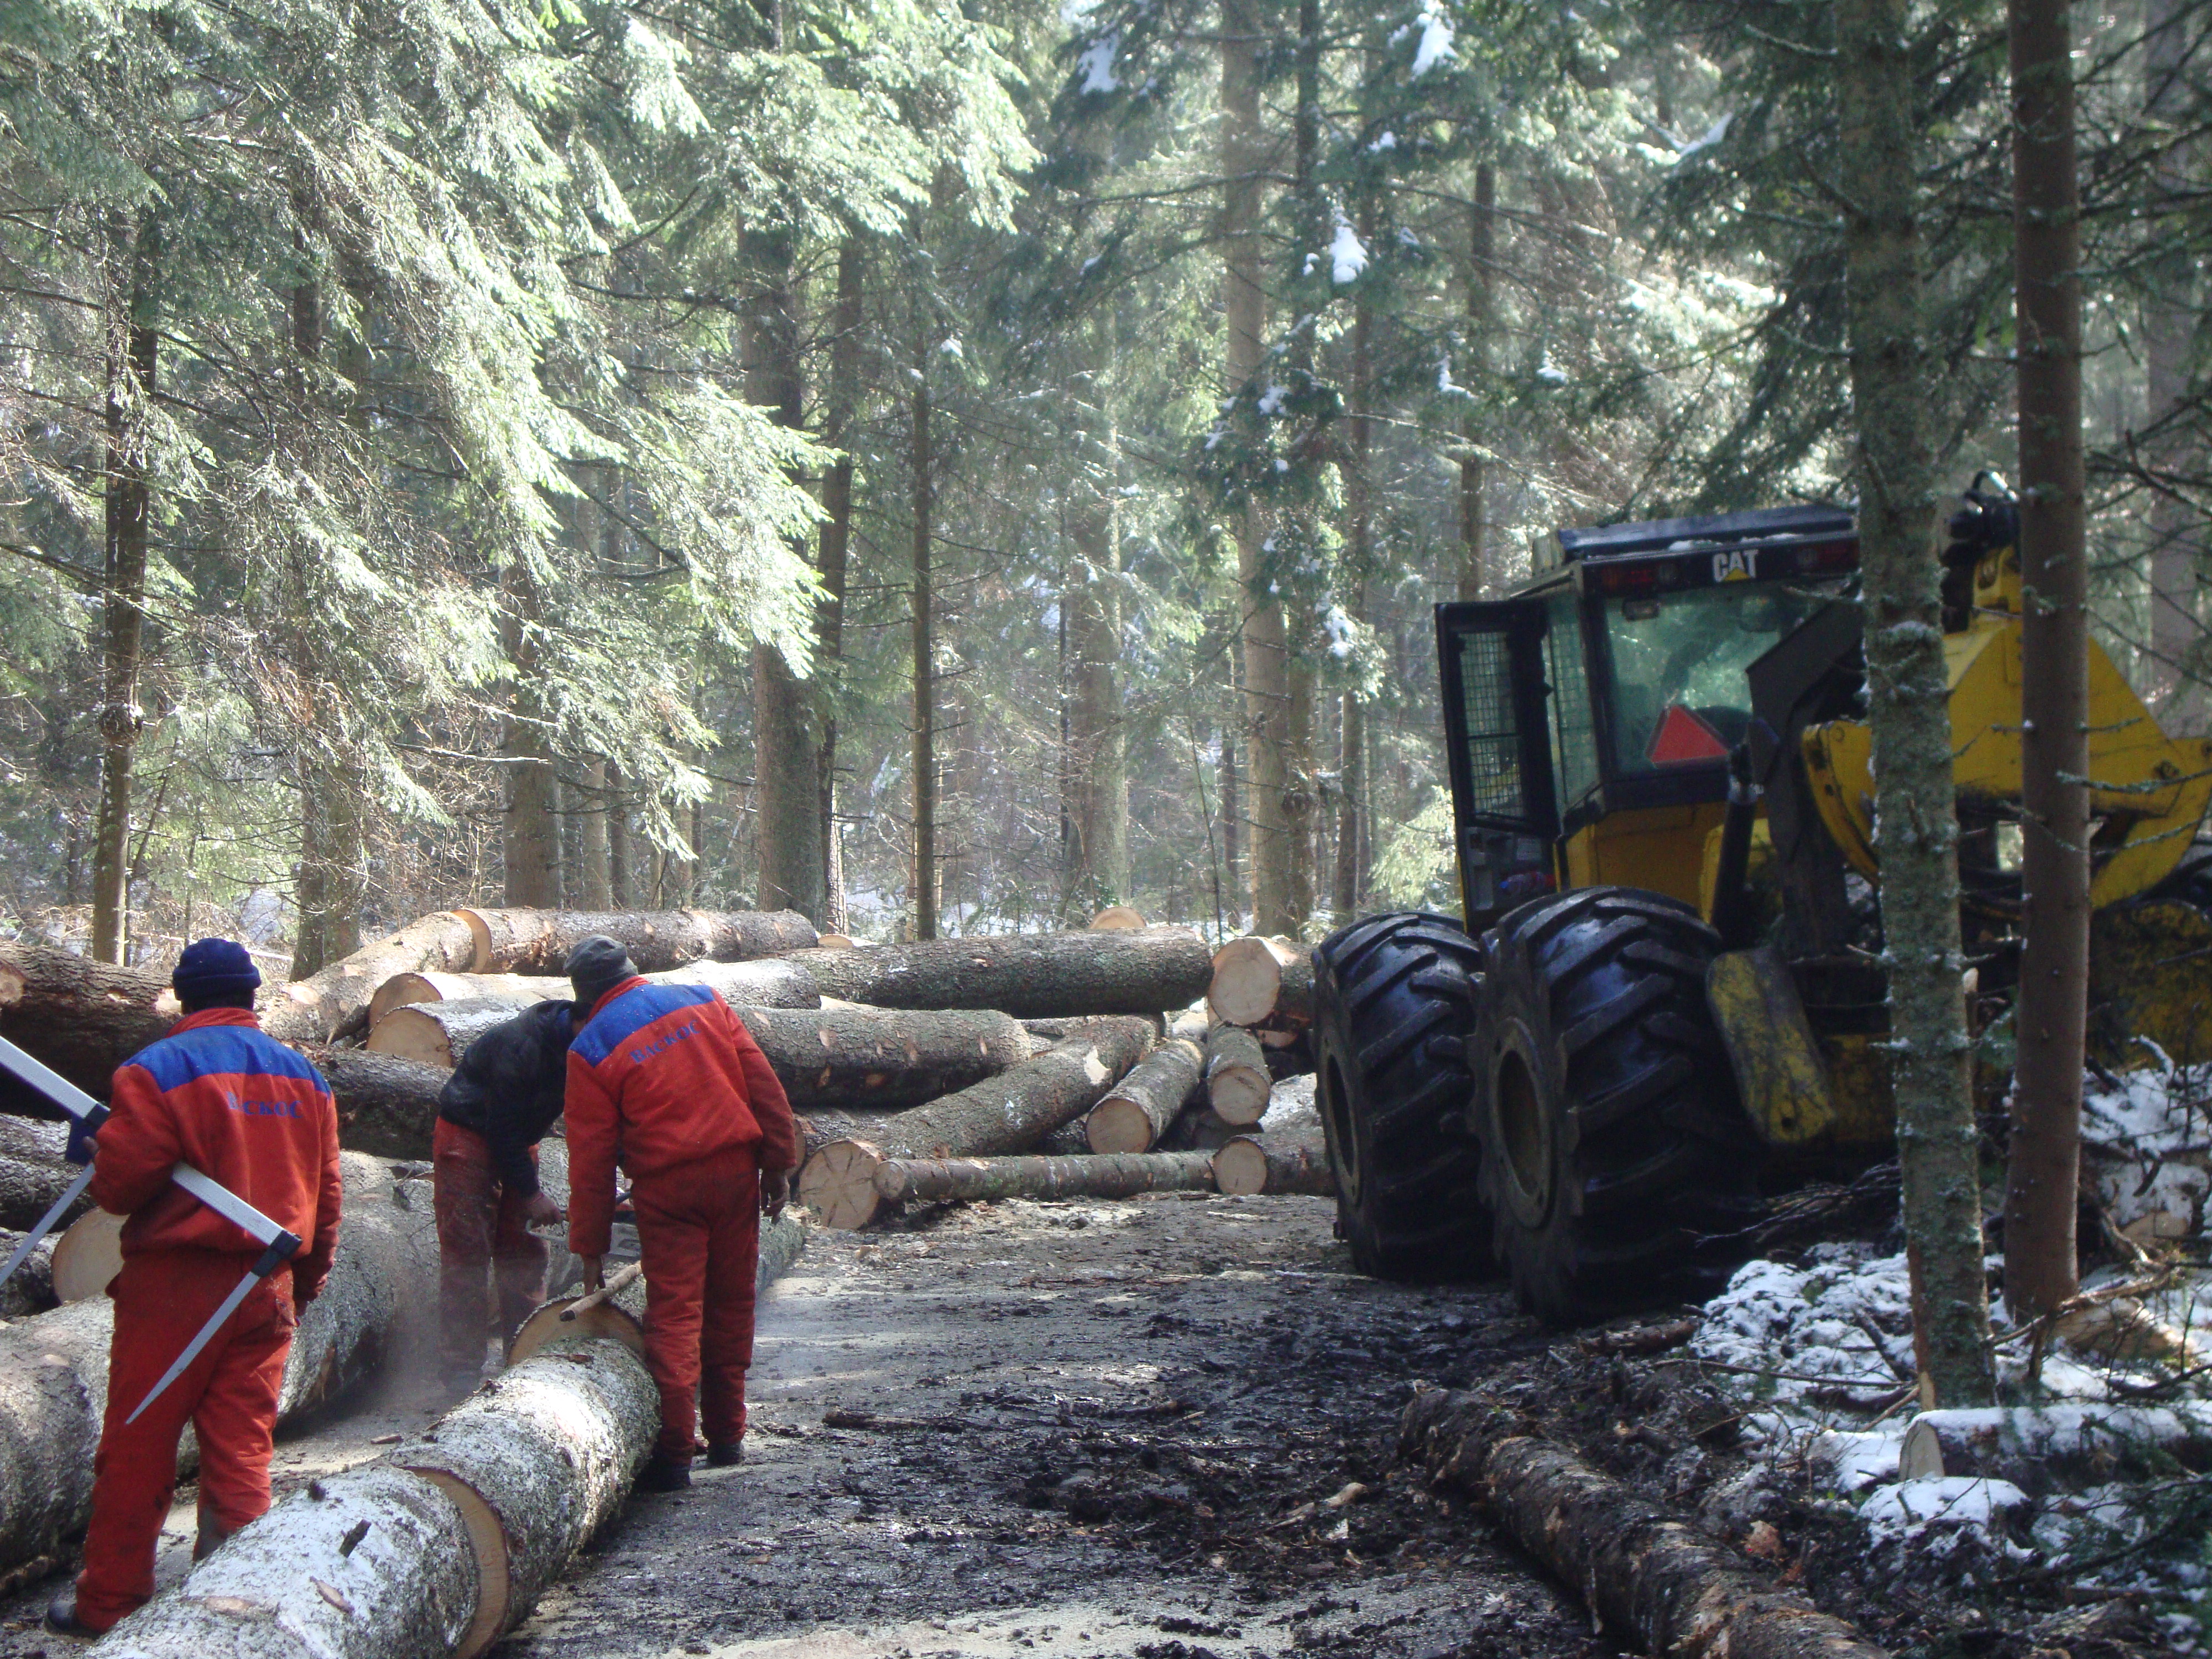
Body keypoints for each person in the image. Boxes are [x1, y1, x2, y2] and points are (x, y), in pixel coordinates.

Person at [49, 939, 341, 1637]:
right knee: (241, 1448)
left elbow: (121, 1187)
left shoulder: (156, 1071)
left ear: (183, 997)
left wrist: (101, 1149)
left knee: (138, 1446)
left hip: (177, 1289)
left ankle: (111, 1605)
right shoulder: (307, 1078)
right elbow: (327, 1196)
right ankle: (239, 1609)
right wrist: (305, 1281)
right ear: (250, 996)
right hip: (265, 1285)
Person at [562, 936, 795, 1491]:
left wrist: (590, 1248)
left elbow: (590, 1161)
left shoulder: (590, 1048)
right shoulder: (704, 1000)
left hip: (668, 1189)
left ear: (585, 995)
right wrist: (779, 1164)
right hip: (735, 1173)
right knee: (732, 1299)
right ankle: (729, 1436)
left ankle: (673, 1456)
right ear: (632, 970)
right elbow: (763, 1086)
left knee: (675, 1312)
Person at [432, 998, 576, 1394]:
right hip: (469, 1135)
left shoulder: (588, 1045)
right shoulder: (520, 1046)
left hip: (520, 1138)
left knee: (526, 1250)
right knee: (467, 1253)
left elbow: (592, 1116)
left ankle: (524, 1352)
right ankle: (460, 1370)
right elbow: (502, 1128)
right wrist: (530, 1193)